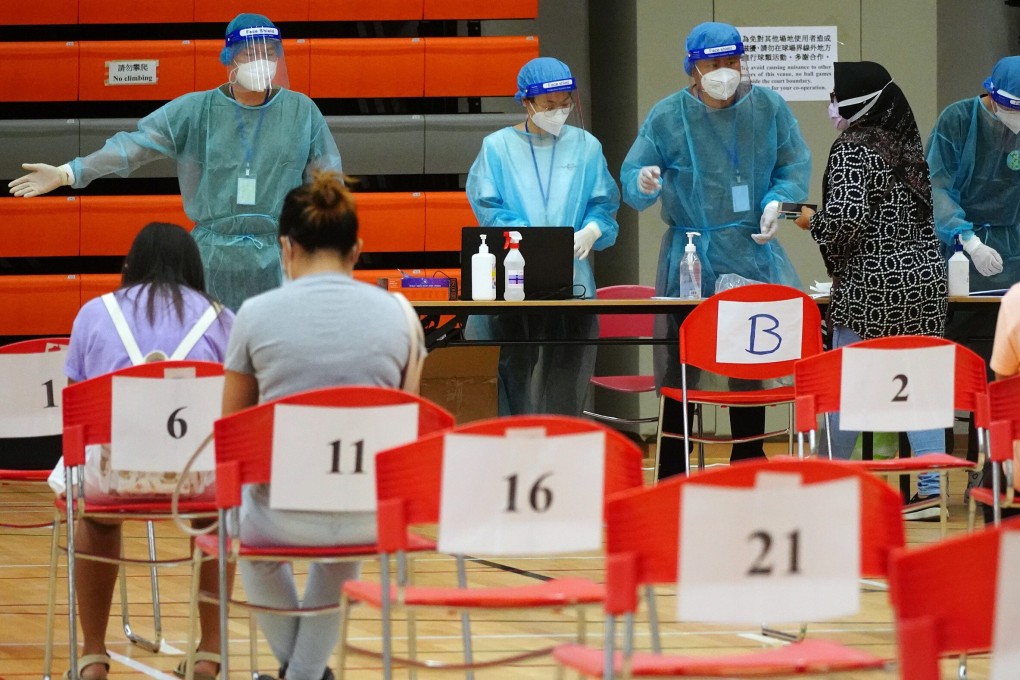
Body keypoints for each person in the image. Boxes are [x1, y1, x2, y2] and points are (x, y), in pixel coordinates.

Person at [222, 172, 420, 680]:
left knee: (247, 537)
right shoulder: (402, 315)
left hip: (282, 511)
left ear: (285, 247)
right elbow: (405, 433)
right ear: (357, 249)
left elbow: (232, 435)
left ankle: (299, 674)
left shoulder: (255, 313)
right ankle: (307, 674)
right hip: (370, 515)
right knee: (346, 529)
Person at [8, 13, 342, 312]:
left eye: (269, 53)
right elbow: (134, 146)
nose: (261, 61)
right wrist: (70, 172)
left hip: (279, 257)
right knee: (209, 351)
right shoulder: (197, 110)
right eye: (250, 53)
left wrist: (326, 250)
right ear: (230, 59)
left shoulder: (301, 112)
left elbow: (329, 182)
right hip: (211, 258)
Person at [620, 22, 811, 478]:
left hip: (750, 250)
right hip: (691, 257)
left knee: (749, 361)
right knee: (681, 366)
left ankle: (748, 460)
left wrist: (776, 204)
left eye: (732, 62)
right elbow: (634, 178)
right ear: (693, 68)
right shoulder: (668, 116)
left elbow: (793, 164)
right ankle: (671, 469)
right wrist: (644, 181)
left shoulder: (768, 107)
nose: (724, 72)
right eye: (713, 64)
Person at [63, 222, 234, 680]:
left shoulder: (92, 313)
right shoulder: (222, 317)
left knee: (95, 517)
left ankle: (93, 654)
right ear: (195, 270)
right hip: (196, 480)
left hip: (116, 478)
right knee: (220, 516)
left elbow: (75, 408)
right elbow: (236, 409)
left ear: (128, 267)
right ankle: (211, 651)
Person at [796, 61, 948, 518]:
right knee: (922, 387)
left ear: (857, 102)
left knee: (846, 385)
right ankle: (930, 489)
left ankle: (829, 484)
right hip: (923, 280)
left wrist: (808, 221)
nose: (830, 105)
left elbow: (844, 222)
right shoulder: (903, 142)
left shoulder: (851, 150)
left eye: (834, 96)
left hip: (873, 286)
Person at [465, 57, 620, 416]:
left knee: (567, 367)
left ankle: (560, 446)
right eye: (549, 106)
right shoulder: (497, 148)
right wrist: (532, 241)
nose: (558, 112)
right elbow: (489, 206)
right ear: (527, 102)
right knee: (513, 364)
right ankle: (512, 445)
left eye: (565, 104)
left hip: (572, 278)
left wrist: (595, 228)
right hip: (515, 273)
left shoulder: (586, 147)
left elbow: (604, 202)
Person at [928, 56, 1020, 293]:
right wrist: (969, 241)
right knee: (964, 325)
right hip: (962, 249)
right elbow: (936, 188)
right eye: (1014, 109)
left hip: (1016, 248)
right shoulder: (958, 120)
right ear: (993, 95)